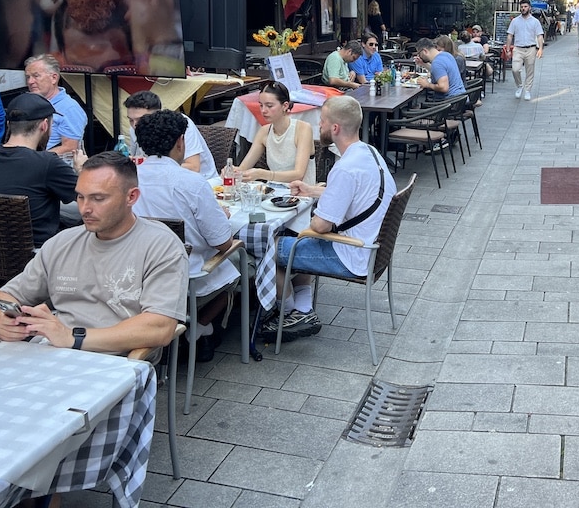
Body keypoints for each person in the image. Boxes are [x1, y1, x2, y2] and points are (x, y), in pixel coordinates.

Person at [0, 151, 188, 355]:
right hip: (47, 351)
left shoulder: (161, 246)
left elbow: (160, 327)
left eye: (98, 198)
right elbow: (2, 298)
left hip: (113, 362)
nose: (85, 209)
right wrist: (3, 321)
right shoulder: (62, 243)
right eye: (80, 197)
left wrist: (71, 337)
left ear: (131, 197)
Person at [265, 96, 394, 342]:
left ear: (335, 128)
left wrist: (307, 228)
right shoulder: (368, 153)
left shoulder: (344, 168)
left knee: (271, 248)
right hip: (372, 247)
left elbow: (320, 226)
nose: (319, 126)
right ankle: (303, 308)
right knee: (296, 239)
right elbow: (353, 194)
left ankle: (291, 313)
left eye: (322, 121)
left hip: (352, 254)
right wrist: (311, 190)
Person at [132, 110, 239, 361]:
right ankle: (200, 327)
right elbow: (222, 243)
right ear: (181, 142)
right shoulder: (191, 182)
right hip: (187, 273)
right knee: (243, 264)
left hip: (138, 268)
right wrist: (221, 216)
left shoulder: (126, 177)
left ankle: (198, 331)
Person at [0, 93, 78, 247]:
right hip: (37, 257)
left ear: (8, 125)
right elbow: (87, 196)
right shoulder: (47, 163)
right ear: (44, 125)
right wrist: (81, 171)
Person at [123, 90, 216, 180]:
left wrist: (150, 165)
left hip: (202, 180)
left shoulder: (178, 123)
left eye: (140, 119)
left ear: (157, 114)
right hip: (162, 178)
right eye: (131, 120)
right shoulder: (134, 129)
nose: (135, 125)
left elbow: (194, 168)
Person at [235, 81, 315, 183]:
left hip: (301, 193)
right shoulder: (264, 131)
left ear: (285, 106)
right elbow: (243, 168)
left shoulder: (303, 129)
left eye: (269, 106)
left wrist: (261, 174)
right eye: (261, 105)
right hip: (274, 193)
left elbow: (298, 174)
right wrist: (233, 171)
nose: (263, 110)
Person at [24, 53, 88, 156]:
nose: (30, 81)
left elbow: (70, 148)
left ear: (54, 78)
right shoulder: (29, 103)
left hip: (48, 165)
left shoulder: (69, 108)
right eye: (28, 77)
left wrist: (34, 159)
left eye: (36, 76)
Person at [506, 0, 545, 101]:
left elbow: (540, 36)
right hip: (518, 48)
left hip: (531, 48)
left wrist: (540, 48)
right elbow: (510, 35)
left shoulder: (535, 22)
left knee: (530, 70)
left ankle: (527, 90)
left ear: (529, 8)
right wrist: (508, 49)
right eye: (522, 7)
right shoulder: (515, 21)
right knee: (515, 69)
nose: (523, 8)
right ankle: (519, 85)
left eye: (525, 6)